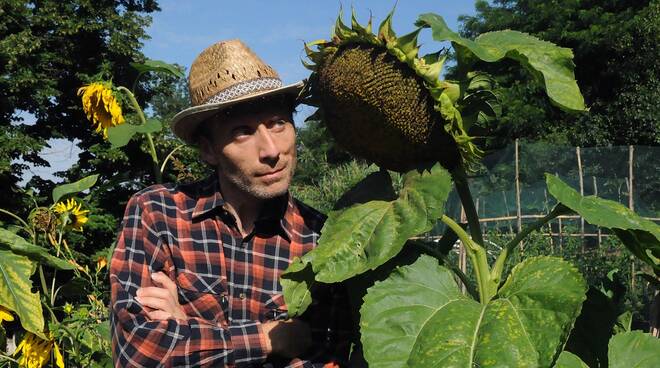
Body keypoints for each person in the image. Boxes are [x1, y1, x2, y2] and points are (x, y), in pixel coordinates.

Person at [109, 39, 349, 367]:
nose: (271, 150)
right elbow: (138, 352)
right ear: (209, 150)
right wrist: (273, 338)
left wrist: (186, 328)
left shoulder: (322, 238)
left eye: (278, 123)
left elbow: (329, 358)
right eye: (242, 132)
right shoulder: (159, 213)